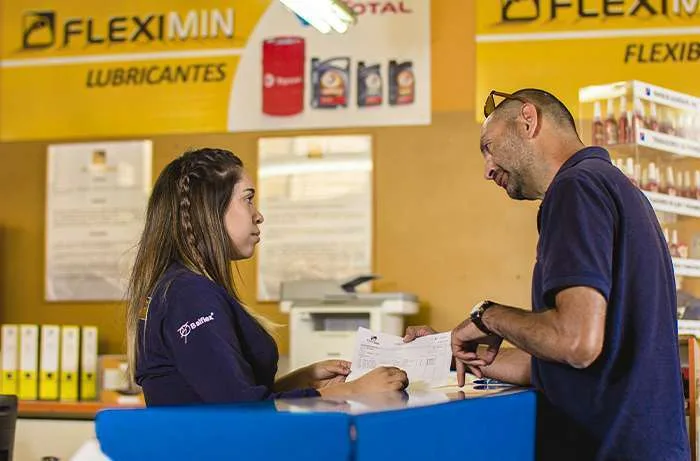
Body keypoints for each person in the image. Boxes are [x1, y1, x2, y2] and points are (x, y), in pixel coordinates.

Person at [404, 89, 690, 460]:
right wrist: (446, 351)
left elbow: (575, 342)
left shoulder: (575, 188)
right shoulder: (615, 188)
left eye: (489, 147)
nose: (487, 170)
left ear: (528, 119)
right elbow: (568, 360)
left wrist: (487, 315)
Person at [126, 148, 408, 406]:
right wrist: (353, 390)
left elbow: (226, 397)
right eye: (248, 199)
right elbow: (241, 410)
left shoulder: (178, 288)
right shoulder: (190, 294)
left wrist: (303, 380)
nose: (258, 215)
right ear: (208, 207)